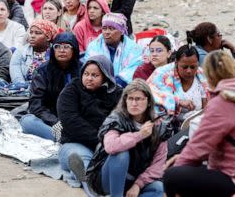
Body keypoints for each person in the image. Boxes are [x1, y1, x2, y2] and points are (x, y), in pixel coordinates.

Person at [164, 51, 235, 196]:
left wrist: (180, 163)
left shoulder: (222, 101)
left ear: (209, 76)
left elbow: (199, 146)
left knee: (172, 176)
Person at [87, 80, 167, 197]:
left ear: (149, 101)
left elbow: (158, 165)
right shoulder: (116, 118)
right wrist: (139, 135)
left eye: (138, 99)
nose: (134, 103)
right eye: (130, 98)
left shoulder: (160, 127)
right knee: (120, 154)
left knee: (158, 188)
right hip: (108, 178)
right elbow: (111, 146)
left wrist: (138, 184)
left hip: (134, 180)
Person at [56, 55, 123, 183]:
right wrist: (100, 139)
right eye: (86, 74)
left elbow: (121, 119)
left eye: (94, 75)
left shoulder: (117, 94)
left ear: (105, 76)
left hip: (107, 144)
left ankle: (105, 178)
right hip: (76, 142)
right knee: (80, 158)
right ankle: (87, 179)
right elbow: (71, 121)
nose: (89, 78)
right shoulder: (72, 90)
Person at [21, 32, 80, 141]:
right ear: (53, 50)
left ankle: (67, 138)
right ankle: (63, 138)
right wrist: (56, 122)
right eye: (57, 47)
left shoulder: (83, 71)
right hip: (51, 120)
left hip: (77, 120)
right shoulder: (42, 71)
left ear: (74, 50)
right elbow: (36, 104)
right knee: (27, 121)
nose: (62, 50)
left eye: (67, 47)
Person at [146, 42, 208, 119]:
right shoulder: (162, 74)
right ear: (176, 63)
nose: (189, 71)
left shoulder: (202, 77)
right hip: (167, 126)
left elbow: (207, 106)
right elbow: (147, 93)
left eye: (193, 67)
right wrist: (177, 101)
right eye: (184, 67)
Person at [84, 13, 144, 87]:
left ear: (121, 31)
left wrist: (117, 82)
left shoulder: (134, 49)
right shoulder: (94, 46)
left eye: (111, 28)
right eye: (104, 28)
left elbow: (133, 70)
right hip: (97, 86)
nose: (107, 32)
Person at [10, 19, 58, 85]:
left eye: (37, 33)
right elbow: (17, 78)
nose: (32, 36)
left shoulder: (56, 53)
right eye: (31, 32)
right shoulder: (21, 51)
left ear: (48, 37)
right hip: (23, 89)